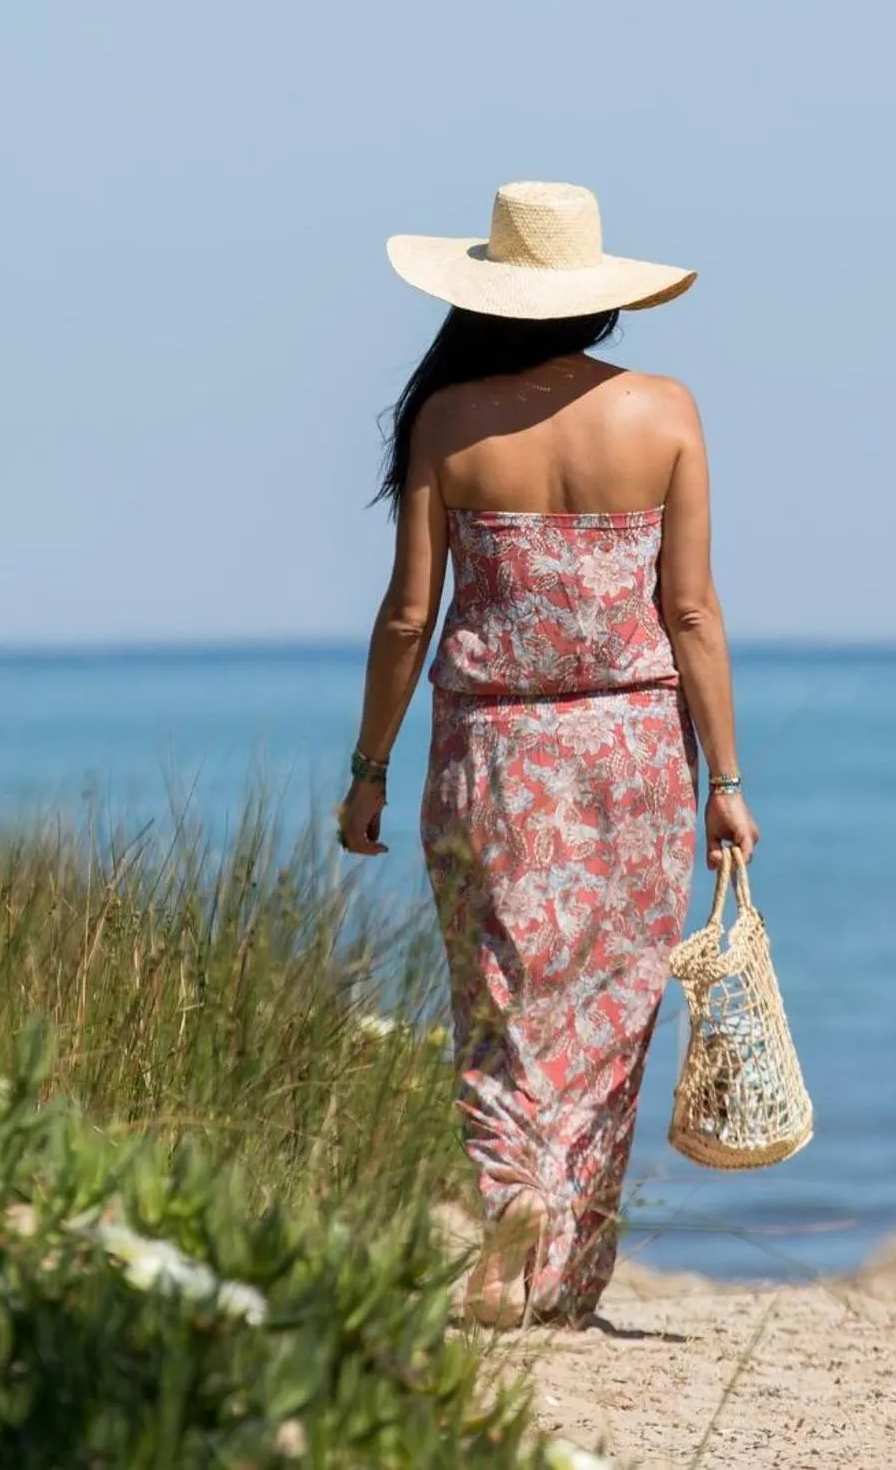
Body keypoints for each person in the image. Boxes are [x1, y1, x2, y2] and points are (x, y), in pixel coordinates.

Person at [337, 180, 759, 1330]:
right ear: (596, 299)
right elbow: (693, 615)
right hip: (630, 756)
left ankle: (511, 1212)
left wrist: (368, 765)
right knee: (612, 1007)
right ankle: (565, 1275)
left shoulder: (447, 421)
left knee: (499, 1003)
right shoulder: (664, 410)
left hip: (492, 749)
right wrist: (723, 780)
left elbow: (405, 617)